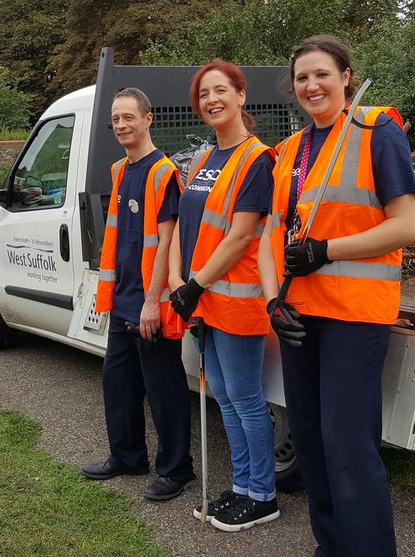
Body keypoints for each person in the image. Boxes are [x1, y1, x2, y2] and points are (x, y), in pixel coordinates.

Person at [259, 35, 415, 556]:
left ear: (347, 76)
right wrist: (271, 300)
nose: (312, 85)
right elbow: (270, 237)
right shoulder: (289, 152)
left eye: (322, 74)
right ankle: (331, 547)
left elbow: (407, 227)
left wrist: (326, 249)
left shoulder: (377, 131)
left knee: (349, 447)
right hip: (300, 315)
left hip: (354, 316)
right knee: (310, 443)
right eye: (302, 78)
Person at [167, 59, 278, 532]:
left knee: (245, 397)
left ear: (240, 96)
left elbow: (239, 236)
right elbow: (183, 226)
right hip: (201, 298)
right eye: (203, 95)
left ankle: (263, 495)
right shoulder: (204, 158)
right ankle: (241, 486)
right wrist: (177, 282)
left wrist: (194, 285)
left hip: (234, 297)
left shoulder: (257, 159)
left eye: (220, 91)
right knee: (224, 399)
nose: (211, 100)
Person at [81, 87, 195, 502]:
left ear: (148, 119)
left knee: (164, 391)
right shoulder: (118, 170)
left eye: (129, 117)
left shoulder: (163, 172)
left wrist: (152, 301)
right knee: (119, 384)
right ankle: (127, 456)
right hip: (122, 300)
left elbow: (167, 243)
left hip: (152, 305)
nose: (121, 125)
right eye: (115, 119)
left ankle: (177, 469)